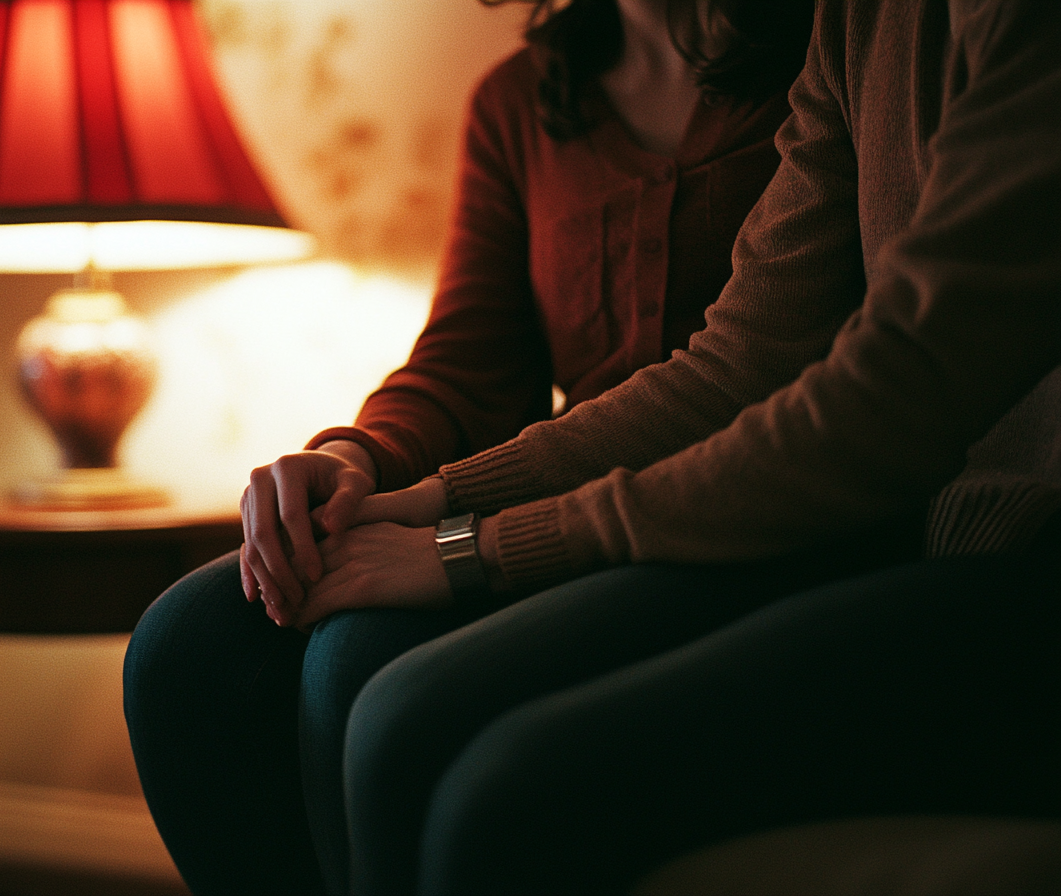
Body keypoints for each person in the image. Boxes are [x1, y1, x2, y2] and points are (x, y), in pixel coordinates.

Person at [263, 0, 1061, 892]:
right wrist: (417, 488)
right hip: (919, 541)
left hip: (975, 549)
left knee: (449, 747)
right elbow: (736, 360)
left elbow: (894, 388)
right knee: (203, 644)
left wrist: (478, 547)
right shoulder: (856, 22)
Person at [123, 1, 813, 893]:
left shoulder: (823, 58)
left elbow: (760, 369)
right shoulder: (521, 101)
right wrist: (356, 457)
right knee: (186, 642)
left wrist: (445, 522)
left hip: (737, 519)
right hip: (556, 500)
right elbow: (470, 362)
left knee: (357, 654)